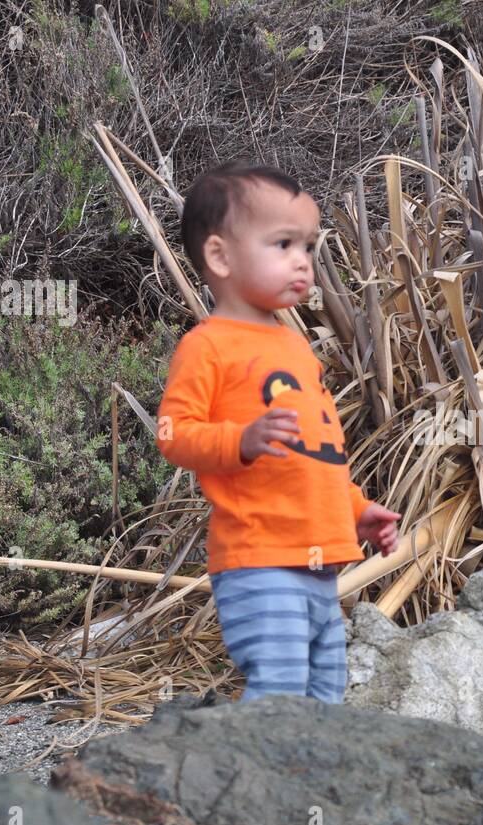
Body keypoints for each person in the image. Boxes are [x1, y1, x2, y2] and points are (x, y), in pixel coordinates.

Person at [155, 161, 400, 704]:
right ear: (219, 256)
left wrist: (357, 510)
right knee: (280, 690)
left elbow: (317, 455)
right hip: (258, 560)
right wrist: (239, 440)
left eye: (309, 246)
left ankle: (305, 787)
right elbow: (174, 433)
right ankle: (262, 786)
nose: (303, 261)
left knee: (327, 693)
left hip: (320, 567)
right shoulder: (208, 345)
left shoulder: (294, 347)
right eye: (284, 243)